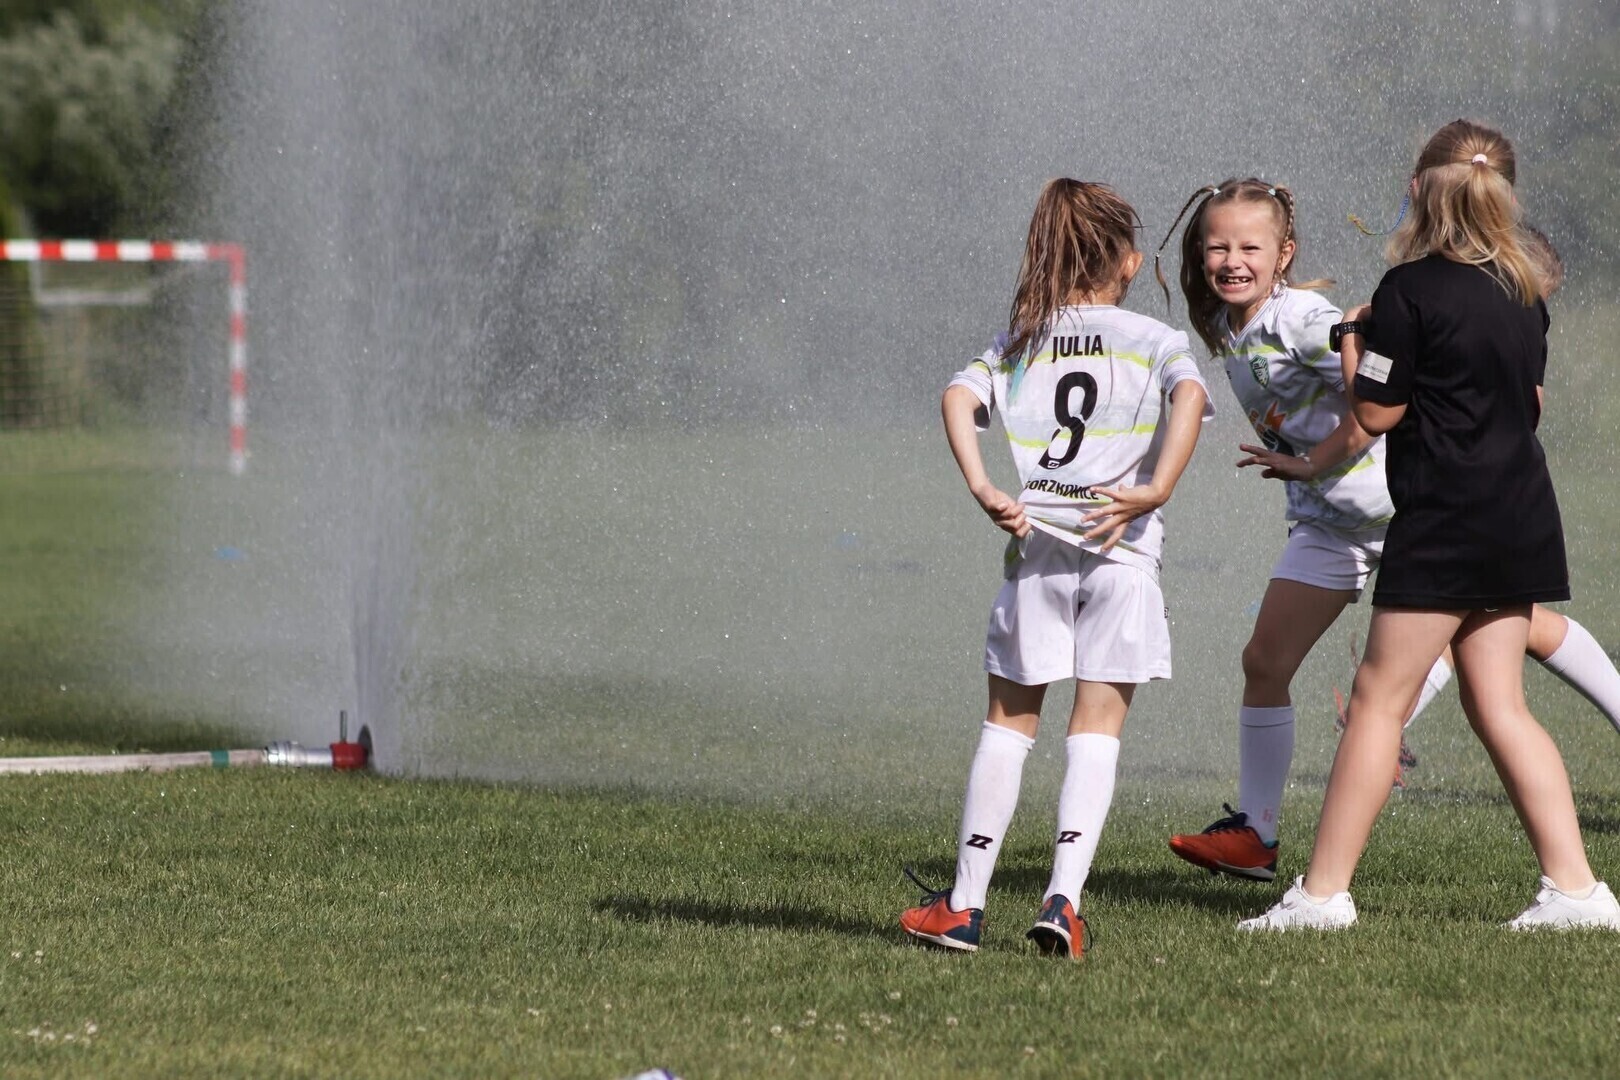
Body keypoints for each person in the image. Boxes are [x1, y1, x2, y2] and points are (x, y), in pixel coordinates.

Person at [1154, 178, 1620, 884]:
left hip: (1404, 514)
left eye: (1249, 246)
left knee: (1500, 653)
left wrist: (1364, 357)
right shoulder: (1227, 323)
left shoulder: (1303, 321)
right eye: (1216, 246)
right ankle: (1256, 834)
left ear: (1285, 254)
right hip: (1329, 522)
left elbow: (1377, 388)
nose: (1230, 260)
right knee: (1265, 663)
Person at [899, 178, 1212, 959]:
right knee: (1096, 730)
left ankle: (965, 906)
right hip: (1123, 553)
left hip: (1037, 551)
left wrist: (984, 486)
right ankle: (1062, 902)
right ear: (1131, 261)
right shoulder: (1153, 337)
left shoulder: (1020, 338)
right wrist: (1157, 488)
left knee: (1009, 725)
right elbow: (1191, 395)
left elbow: (955, 396)